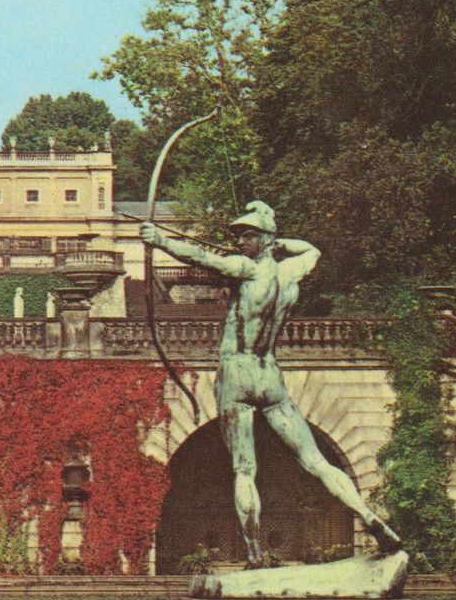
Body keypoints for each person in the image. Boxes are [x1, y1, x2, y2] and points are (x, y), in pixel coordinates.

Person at [140, 200, 402, 567]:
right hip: (269, 373)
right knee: (314, 460)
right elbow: (313, 251)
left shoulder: (247, 270)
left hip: (237, 370)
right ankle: (369, 517)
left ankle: (254, 554)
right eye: (239, 235)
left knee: (245, 469)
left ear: (264, 239)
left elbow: (202, 259)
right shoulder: (289, 273)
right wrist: (279, 244)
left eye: (248, 235)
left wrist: (160, 241)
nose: (240, 240)